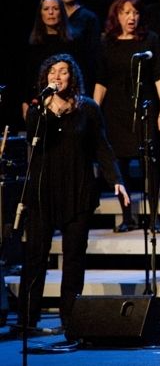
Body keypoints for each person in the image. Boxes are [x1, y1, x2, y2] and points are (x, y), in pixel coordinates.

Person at [20, 53, 129, 331]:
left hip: (78, 190)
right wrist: (45, 108)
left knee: (74, 258)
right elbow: (34, 136)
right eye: (52, 71)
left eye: (64, 71)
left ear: (73, 77)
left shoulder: (88, 109)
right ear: (46, 77)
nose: (57, 76)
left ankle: (70, 318)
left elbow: (102, 146)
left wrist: (116, 179)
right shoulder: (37, 111)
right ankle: (27, 319)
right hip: (43, 193)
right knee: (35, 257)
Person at [94, 0, 160, 233]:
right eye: (126, 12)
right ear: (117, 15)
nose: (131, 17)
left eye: (135, 12)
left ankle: (155, 218)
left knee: (151, 164)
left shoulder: (150, 40)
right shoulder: (107, 42)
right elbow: (101, 80)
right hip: (115, 112)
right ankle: (127, 217)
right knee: (121, 166)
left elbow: (159, 75)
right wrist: (94, 112)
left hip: (145, 108)